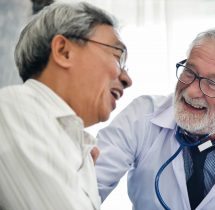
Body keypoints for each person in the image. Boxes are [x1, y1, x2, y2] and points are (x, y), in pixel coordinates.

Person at [95, 27, 215, 210]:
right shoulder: (141, 115)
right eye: (190, 72)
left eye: (212, 84)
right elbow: (87, 187)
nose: (192, 90)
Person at [0, 2, 132, 210]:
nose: (127, 78)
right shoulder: (14, 110)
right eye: (117, 56)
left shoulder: (82, 150)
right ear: (63, 51)